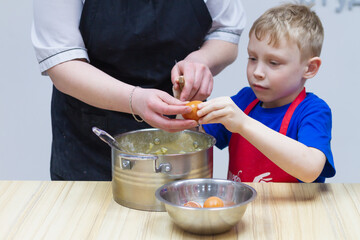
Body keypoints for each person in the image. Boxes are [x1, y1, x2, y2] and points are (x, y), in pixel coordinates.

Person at [31, 0, 246, 180]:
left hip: (180, 141)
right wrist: (135, 99)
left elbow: (226, 32)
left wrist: (199, 61)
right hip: (90, 142)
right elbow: (62, 62)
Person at [197, 3, 335, 183]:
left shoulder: (313, 111)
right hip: (246, 209)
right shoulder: (244, 101)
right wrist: (188, 103)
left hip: (293, 211)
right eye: (253, 58)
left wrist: (243, 124)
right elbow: (195, 140)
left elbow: (310, 169)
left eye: (274, 63)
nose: (257, 72)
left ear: (310, 68)